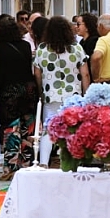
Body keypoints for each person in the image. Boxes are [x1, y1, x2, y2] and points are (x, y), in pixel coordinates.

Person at [33, 15, 90, 165]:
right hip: (73, 96)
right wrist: (87, 94)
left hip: (50, 96)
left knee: (48, 129)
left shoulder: (42, 49)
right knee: (74, 130)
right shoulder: (76, 48)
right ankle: (73, 161)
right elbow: (84, 73)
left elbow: (37, 73)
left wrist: (41, 91)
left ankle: (44, 162)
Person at [0, 14, 37, 179]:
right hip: (28, 91)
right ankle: (26, 163)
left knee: (11, 129)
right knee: (27, 127)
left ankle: (10, 166)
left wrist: (0, 85)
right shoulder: (25, 45)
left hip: (9, 93)